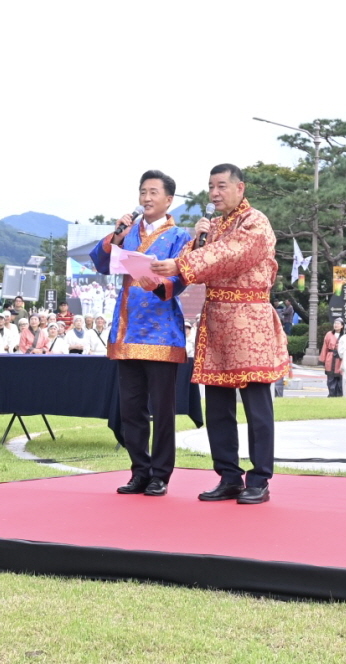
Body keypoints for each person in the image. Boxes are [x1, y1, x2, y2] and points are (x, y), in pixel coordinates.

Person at [151, 163, 288, 506]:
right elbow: (194, 262)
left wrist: (184, 263)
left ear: (240, 188)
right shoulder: (212, 227)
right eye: (211, 186)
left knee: (256, 404)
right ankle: (228, 476)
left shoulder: (255, 222)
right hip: (215, 320)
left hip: (249, 319)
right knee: (217, 405)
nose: (214, 193)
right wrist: (190, 248)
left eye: (221, 186)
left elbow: (230, 255)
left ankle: (260, 478)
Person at [92, 169, 193, 495]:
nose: (146, 198)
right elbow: (100, 263)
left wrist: (159, 281)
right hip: (128, 326)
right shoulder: (128, 231)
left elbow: (183, 276)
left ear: (168, 199)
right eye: (143, 192)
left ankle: (161, 474)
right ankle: (139, 470)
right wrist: (115, 237)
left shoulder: (180, 236)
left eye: (153, 192)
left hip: (162, 330)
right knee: (131, 408)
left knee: (162, 410)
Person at [319, 320, 344, 397]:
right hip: (330, 357)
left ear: (342, 326)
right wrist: (323, 359)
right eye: (335, 323)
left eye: (338, 324)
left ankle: (339, 395)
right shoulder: (329, 334)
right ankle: (331, 394)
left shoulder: (344, 335)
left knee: (340, 378)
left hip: (340, 359)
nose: (336, 325)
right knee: (331, 378)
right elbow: (325, 347)